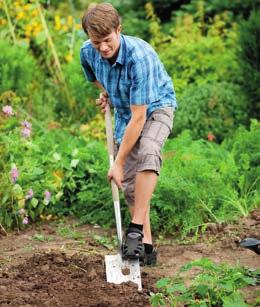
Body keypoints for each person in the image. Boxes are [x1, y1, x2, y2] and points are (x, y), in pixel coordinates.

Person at [80, 3, 177, 266]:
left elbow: (140, 117)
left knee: (148, 151)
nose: (102, 47)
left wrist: (118, 163)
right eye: (96, 41)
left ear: (119, 30)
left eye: (107, 40)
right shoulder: (87, 52)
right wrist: (108, 94)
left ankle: (134, 229)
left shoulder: (139, 56)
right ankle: (146, 247)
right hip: (125, 112)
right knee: (132, 189)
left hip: (156, 107)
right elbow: (95, 79)